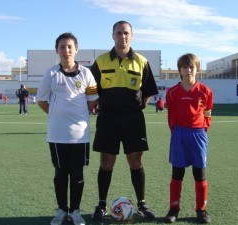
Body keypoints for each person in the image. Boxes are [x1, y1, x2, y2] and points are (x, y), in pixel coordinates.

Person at [90, 20, 158, 221]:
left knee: (135, 161)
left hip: (133, 119)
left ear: (132, 35)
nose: (123, 36)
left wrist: (135, 107)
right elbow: (92, 90)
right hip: (108, 119)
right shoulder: (101, 61)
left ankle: (142, 205)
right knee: (106, 162)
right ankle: (101, 204)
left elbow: (147, 93)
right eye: (119, 33)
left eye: (126, 33)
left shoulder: (142, 62)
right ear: (113, 36)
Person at [37, 32, 98, 225]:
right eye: (62, 47)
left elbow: (93, 100)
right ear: (57, 50)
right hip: (57, 134)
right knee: (60, 174)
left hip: (80, 135)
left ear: (76, 49)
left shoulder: (87, 74)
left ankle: (76, 211)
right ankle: (62, 211)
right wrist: (57, 116)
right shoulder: (51, 73)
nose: (66, 50)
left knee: (78, 174)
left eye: (70, 46)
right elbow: (41, 100)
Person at [164, 53, 213, 224]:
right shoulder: (172, 93)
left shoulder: (205, 91)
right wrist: (176, 132)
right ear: (180, 70)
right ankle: (174, 208)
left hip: (198, 135)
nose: (188, 70)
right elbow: (171, 117)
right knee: (177, 173)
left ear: (197, 69)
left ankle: (201, 209)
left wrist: (202, 130)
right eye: (184, 67)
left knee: (199, 173)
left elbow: (207, 115)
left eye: (191, 67)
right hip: (179, 134)